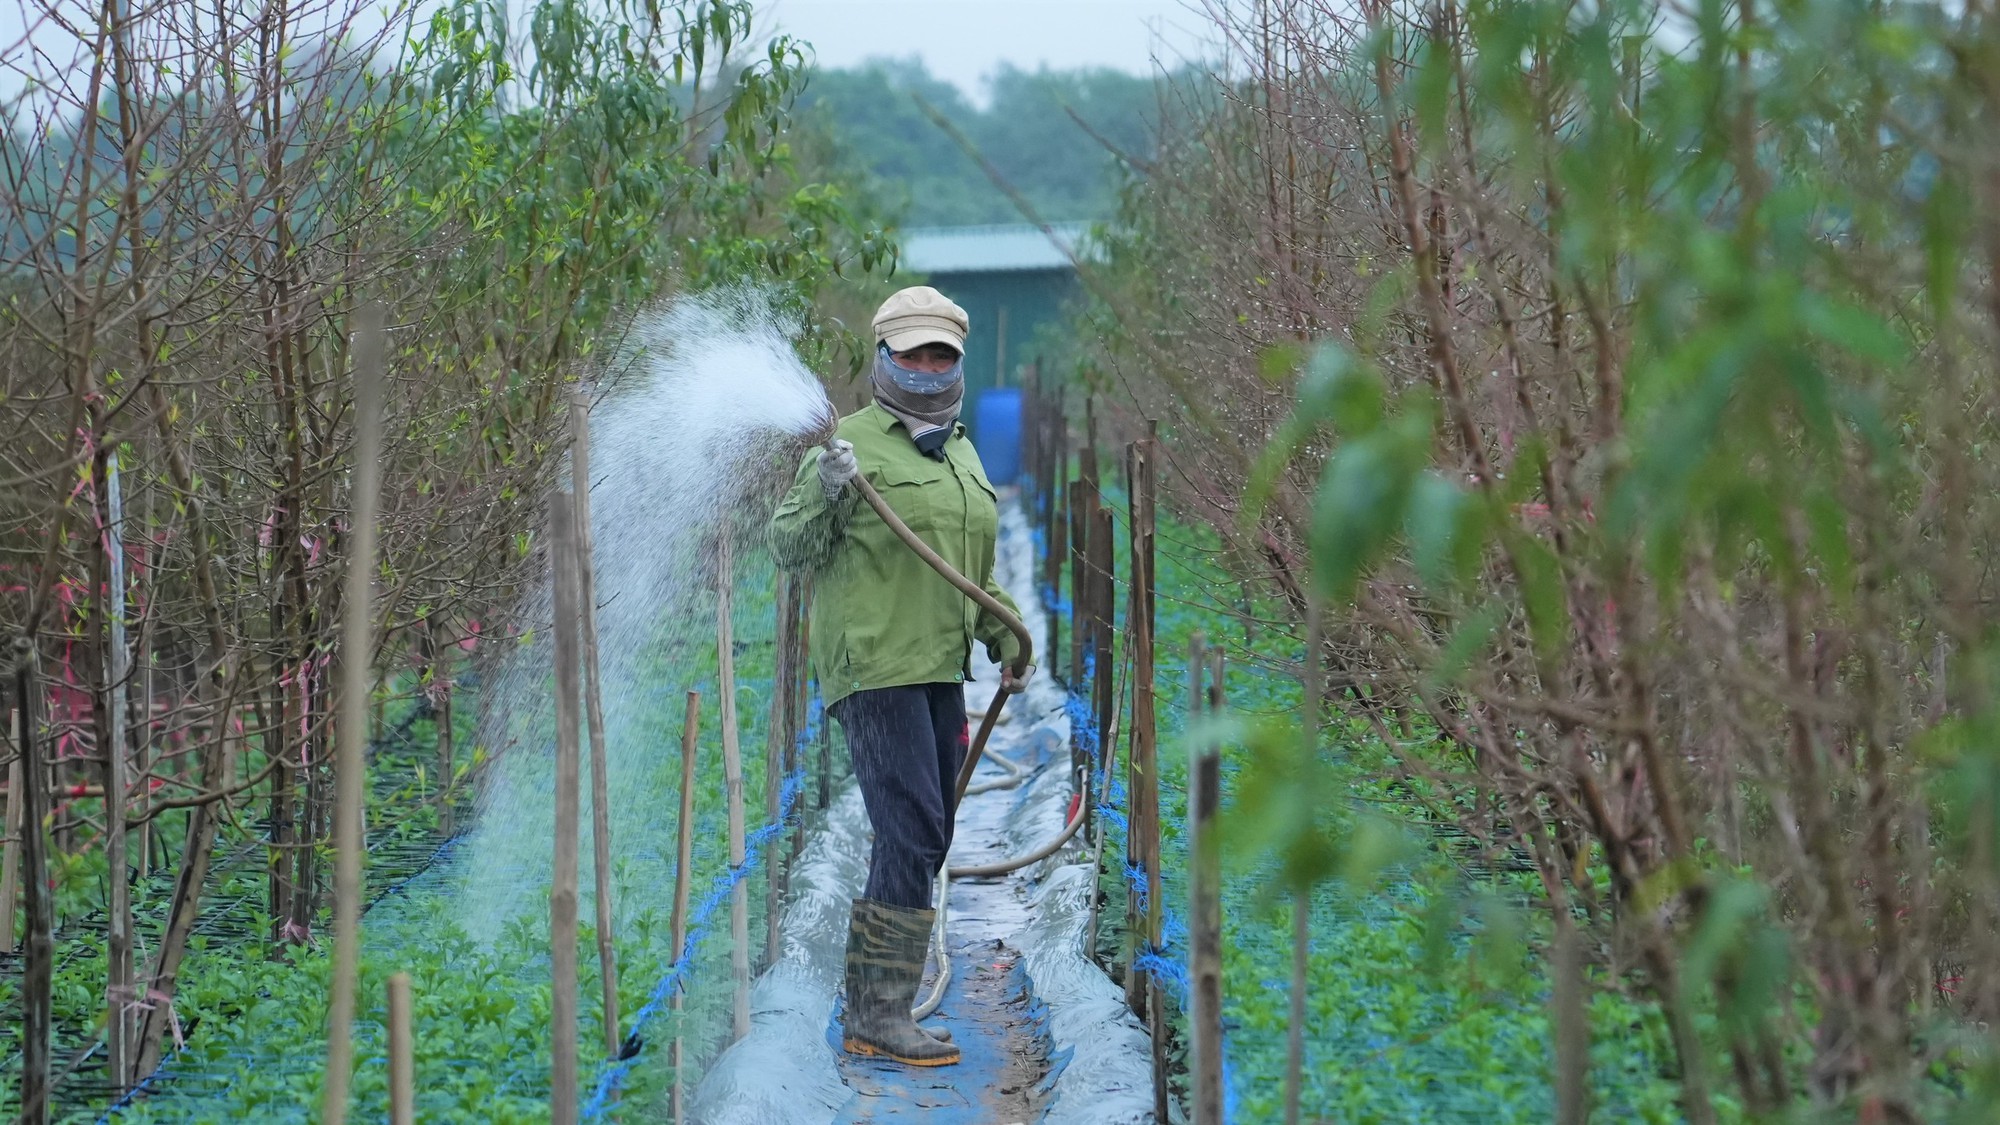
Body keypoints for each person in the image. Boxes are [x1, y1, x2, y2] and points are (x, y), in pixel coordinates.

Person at [768, 286, 1027, 1067]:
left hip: (938, 665)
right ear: (883, 357)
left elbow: (972, 571)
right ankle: (877, 1013)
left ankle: (883, 1004)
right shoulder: (845, 446)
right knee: (912, 826)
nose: (924, 366)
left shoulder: (964, 452)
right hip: (874, 667)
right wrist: (827, 485)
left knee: (932, 830)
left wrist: (1006, 633)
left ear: (956, 361)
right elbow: (787, 549)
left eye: (938, 354)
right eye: (910, 352)